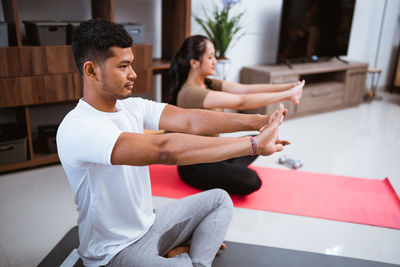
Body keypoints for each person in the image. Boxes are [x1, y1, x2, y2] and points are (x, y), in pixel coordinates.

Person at [57, 18, 289, 267]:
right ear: (91, 70)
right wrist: (253, 145)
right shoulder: (78, 128)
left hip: (151, 224)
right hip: (114, 253)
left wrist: (259, 121)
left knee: (220, 200)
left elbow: (190, 120)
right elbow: (163, 150)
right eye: (123, 66)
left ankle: (186, 257)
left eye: (131, 64)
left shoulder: (131, 107)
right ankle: (192, 260)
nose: (133, 74)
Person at [169, 35, 304, 195]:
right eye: (210, 57)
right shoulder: (191, 93)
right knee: (252, 180)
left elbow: (246, 90)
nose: (215, 61)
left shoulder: (208, 83)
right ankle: (226, 169)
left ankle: (226, 168)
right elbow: (242, 101)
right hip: (195, 164)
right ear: (194, 62)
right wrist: (288, 95)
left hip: (216, 152)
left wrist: (289, 87)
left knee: (261, 139)